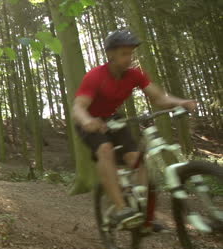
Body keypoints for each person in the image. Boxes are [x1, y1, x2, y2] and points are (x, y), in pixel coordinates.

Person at [72, 29, 197, 228]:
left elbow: (159, 98)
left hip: (114, 119)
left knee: (136, 159)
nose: (129, 58)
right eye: (124, 54)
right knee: (105, 150)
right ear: (111, 54)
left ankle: (145, 212)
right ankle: (122, 209)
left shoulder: (135, 75)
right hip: (90, 121)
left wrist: (181, 102)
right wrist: (88, 121)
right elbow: (78, 108)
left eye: (131, 53)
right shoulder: (95, 76)